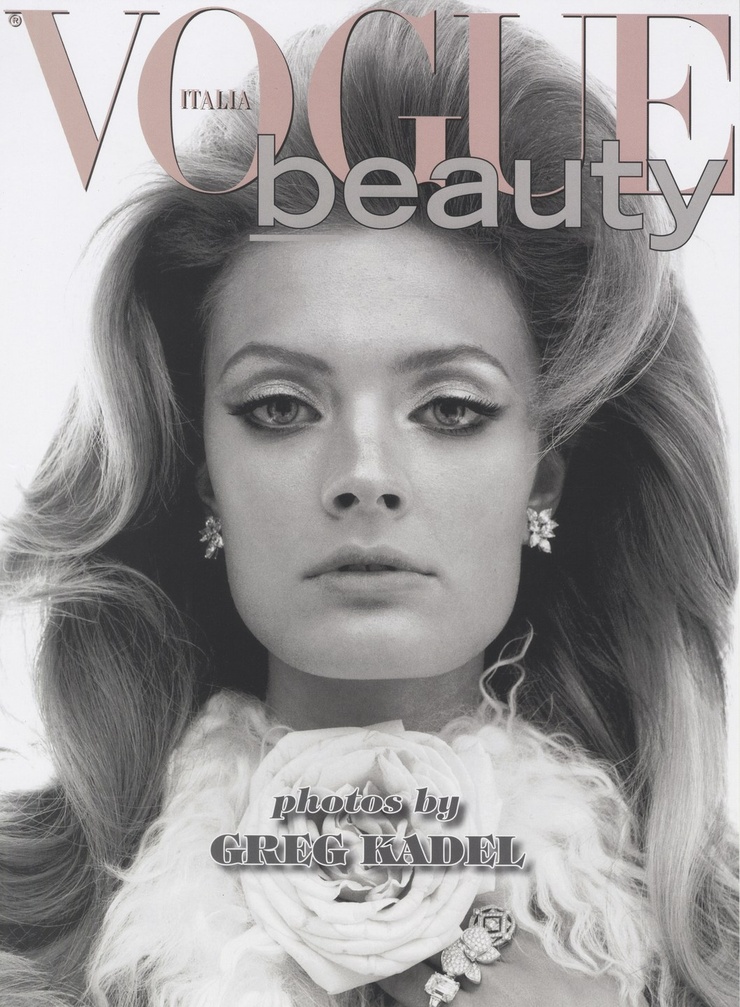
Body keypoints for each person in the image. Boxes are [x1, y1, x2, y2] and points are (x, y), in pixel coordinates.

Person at [0, 2, 737, 1005]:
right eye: (279, 406)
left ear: (543, 476)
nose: (363, 472)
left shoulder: (702, 954)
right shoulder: (25, 935)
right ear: (207, 473)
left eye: (449, 408)